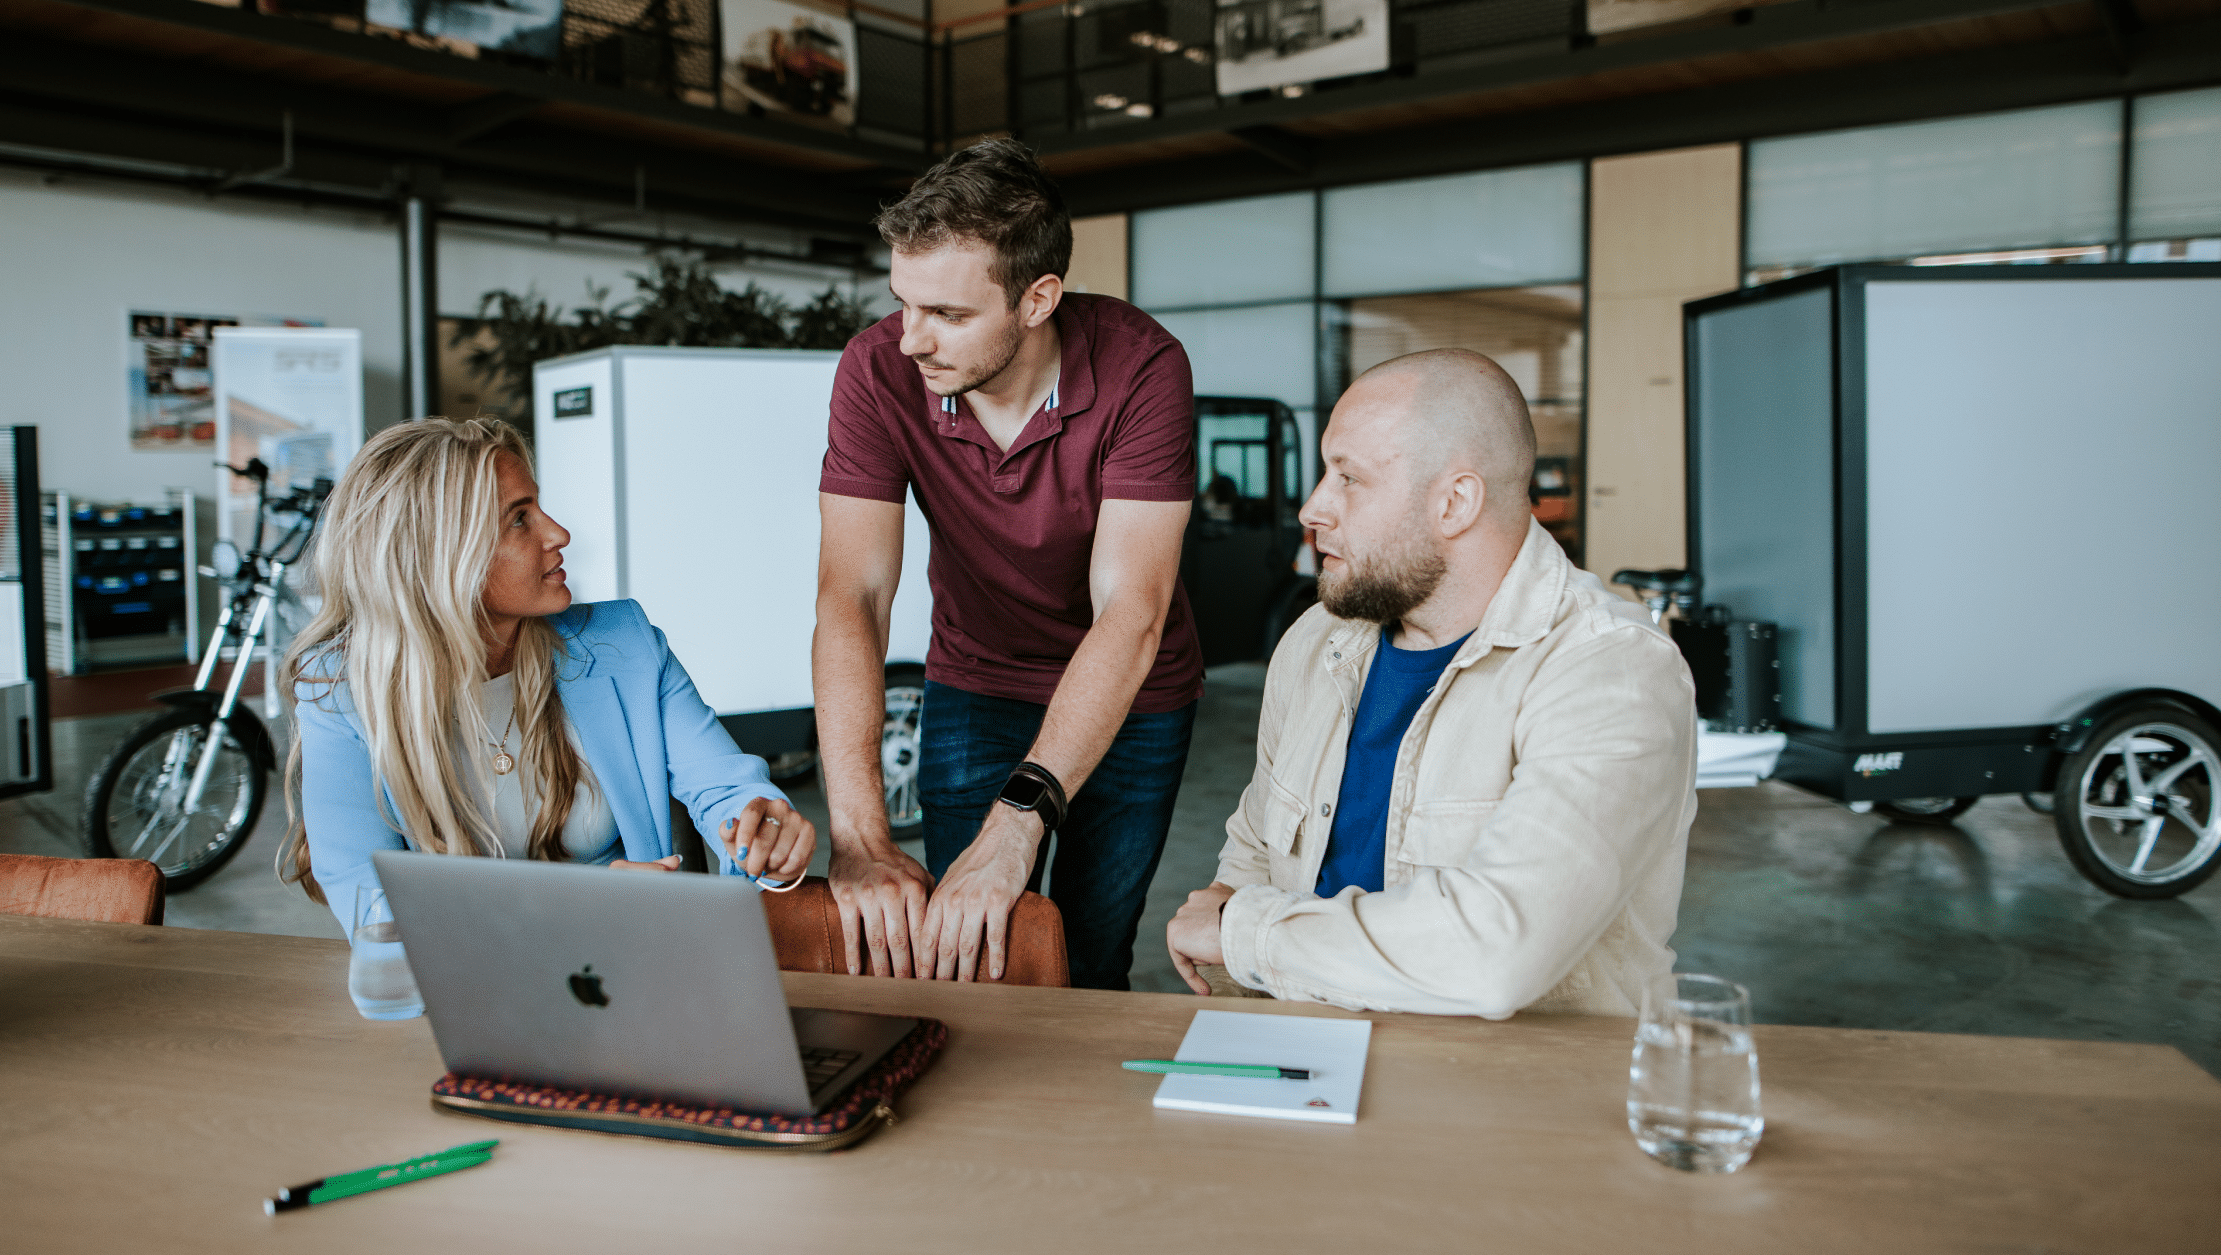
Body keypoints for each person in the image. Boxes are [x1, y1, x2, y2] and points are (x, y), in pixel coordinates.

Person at [1164, 350, 1696, 1017]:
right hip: (1314, 1059)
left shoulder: (1611, 672)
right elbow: (1255, 847)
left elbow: (1497, 952)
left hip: (1530, 1101)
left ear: (1455, 502)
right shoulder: (1314, 643)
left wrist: (1245, 934)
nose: (1313, 508)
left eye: (1349, 479)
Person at [814, 138, 1202, 989]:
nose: (912, 339)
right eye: (903, 304)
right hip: (979, 681)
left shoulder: (1143, 368)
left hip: (1133, 696)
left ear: (1038, 299)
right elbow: (856, 595)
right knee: (972, 959)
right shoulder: (879, 368)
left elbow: (1130, 609)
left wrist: (1020, 816)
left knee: (1090, 955)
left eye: (948, 315)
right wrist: (859, 833)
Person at [280, 418, 814, 933]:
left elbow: (724, 787)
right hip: (470, 1000)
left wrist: (761, 834)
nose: (557, 533)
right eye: (519, 518)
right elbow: (373, 911)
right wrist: (576, 911)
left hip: (642, 969)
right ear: (438, 556)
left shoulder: (623, 642)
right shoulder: (338, 691)